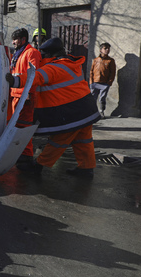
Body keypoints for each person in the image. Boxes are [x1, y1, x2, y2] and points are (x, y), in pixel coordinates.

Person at [6, 37, 101, 178]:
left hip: (72, 112)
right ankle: (86, 169)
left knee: (58, 140)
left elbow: (35, 77)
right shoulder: (69, 64)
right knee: (83, 140)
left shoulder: (54, 67)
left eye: (44, 54)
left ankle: (38, 166)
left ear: (50, 55)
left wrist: (15, 80)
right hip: (85, 109)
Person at [8, 28, 41, 169]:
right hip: (15, 95)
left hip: (26, 97)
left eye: (15, 39)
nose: (13, 42)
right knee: (15, 126)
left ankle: (26, 156)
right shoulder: (17, 53)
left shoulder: (32, 53)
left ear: (22, 39)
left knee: (23, 127)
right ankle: (19, 152)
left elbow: (33, 75)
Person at [89, 42, 116, 118]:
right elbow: (91, 71)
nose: (107, 50)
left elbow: (112, 73)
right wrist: (91, 82)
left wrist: (109, 83)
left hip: (104, 83)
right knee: (93, 99)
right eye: (105, 48)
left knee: (102, 99)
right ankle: (93, 113)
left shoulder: (110, 61)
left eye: (108, 48)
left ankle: (101, 112)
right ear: (101, 50)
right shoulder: (96, 60)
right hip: (95, 82)